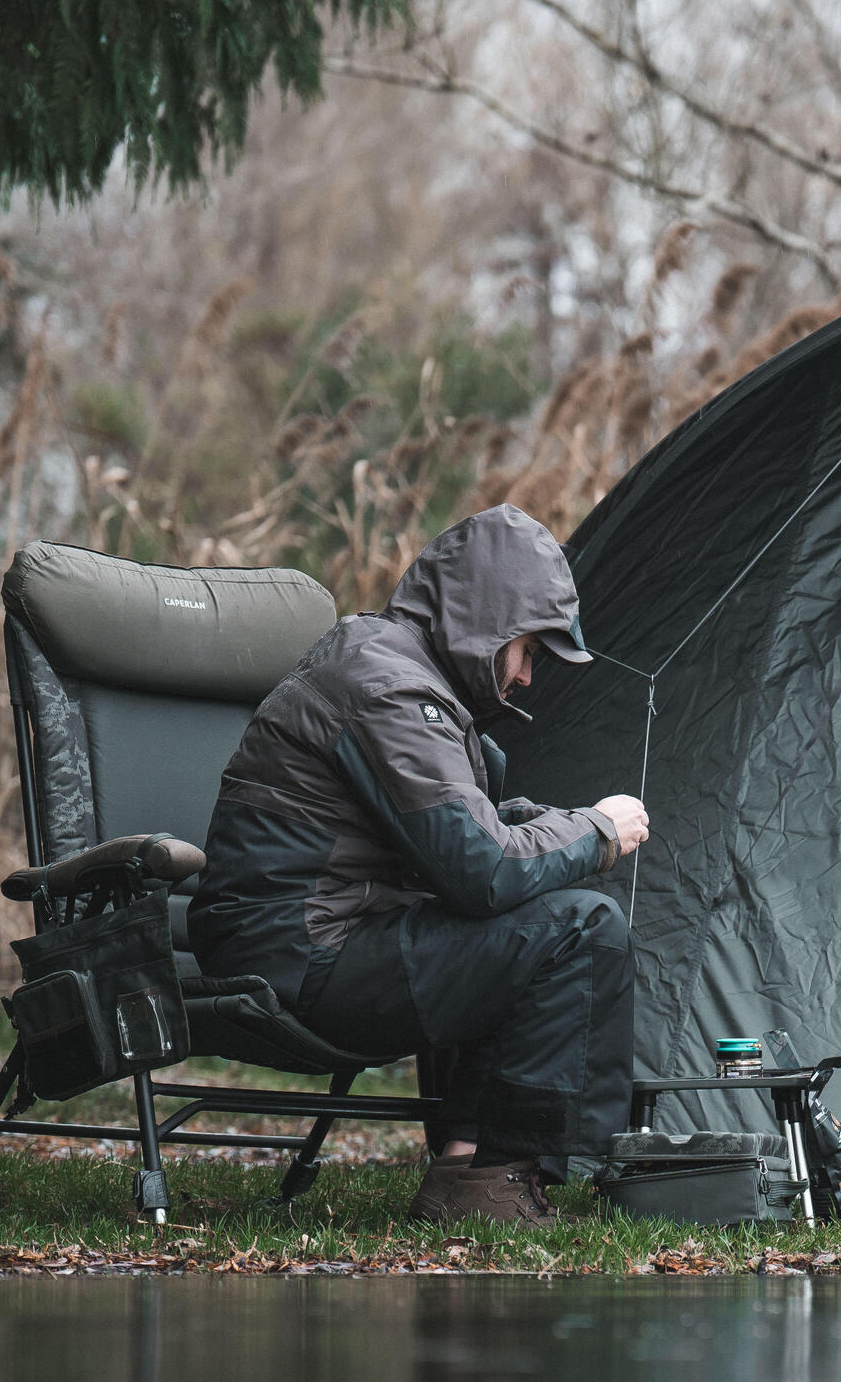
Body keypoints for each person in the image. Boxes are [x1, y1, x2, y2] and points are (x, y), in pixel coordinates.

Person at [188, 505, 650, 1227]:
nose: (529, 676)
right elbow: (483, 870)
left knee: (529, 922)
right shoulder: (391, 687)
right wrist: (594, 832)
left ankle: (467, 1170)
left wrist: (542, 823)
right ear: (489, 621)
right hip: (301, 956)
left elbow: (455, 838)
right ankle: (490, 1174)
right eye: (529, 650)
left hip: (309, 941)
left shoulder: (392, 672)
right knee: (580, 927)